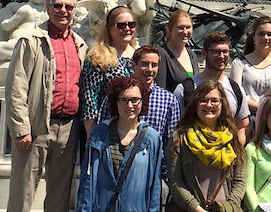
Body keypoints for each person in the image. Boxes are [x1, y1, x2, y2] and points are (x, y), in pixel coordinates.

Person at [5, 0, 87, 212]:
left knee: (60, 195)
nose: (63, 11)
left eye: (68, 7)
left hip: (69, 127)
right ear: (47, 8)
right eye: (58, 6)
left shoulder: (80, 45)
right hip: (36, 125)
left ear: (74, 11)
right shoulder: (31, 40)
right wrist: (21, 128)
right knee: (23, 191)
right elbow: (16, 86)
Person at [77, 77, 162, 212]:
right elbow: (87, 180)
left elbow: (155, 186)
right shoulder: (99, 134)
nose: (129, 106)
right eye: (123, 100)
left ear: (143, 101)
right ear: (115, 102)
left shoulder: (151, 138)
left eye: (135, 100)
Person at [169, 80, 246, 212]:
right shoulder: (180, 138)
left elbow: (240, 180)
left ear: (222, 104)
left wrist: (227, 207)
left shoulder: (233, 138)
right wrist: (196, 209)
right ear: (195, 104)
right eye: (203, 100)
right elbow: (175, 182)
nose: (209, 105)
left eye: (215, 100)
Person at [175, 31, 251, 144]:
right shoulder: (185, 88)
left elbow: (243, 126)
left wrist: (236, 151)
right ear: (204, 54)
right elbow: (177, 127)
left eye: (225, 52)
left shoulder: (236, 89)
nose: (221, 56)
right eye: (216, 52)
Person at [80, 6, 136, 135]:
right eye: (121, 25)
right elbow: (89, 98)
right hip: (105, 127)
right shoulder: (98, 56)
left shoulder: (139, 55)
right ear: (109, 28)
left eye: (131, 24)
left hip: (133, 128)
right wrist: (91, 133)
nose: (127, 29)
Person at [132, 46, 181, 183]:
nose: (149, 69)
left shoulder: (169, 100)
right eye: (144, 64)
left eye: (154, 65)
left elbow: (171, 143)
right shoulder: (119, 95)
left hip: (153, 173)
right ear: (133, 65)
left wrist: (164, 176)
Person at [231, 16, 271, 116]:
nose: (265, 38)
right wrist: (261, 108)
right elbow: (236, 94)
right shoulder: (239, 63)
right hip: (246, 120)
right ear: (254, 37)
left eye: (269, 34)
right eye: (261, 34)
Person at [157, 9, 200, 93]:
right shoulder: (161, 54)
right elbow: (161, 89)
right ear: (170, 29)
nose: (185, 32)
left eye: (188, 27)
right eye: (180, 28)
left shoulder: (192, 54)